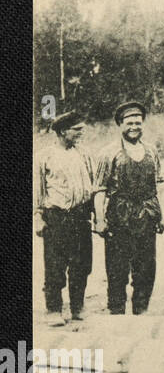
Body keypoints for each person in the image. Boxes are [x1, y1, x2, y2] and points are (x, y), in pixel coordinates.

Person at [94, 101, 164, 315]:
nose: (134, 126)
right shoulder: (109, 153)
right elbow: (99, 190)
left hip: (147, 214)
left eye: (138, 122)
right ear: (120, 125)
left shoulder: (151, 151)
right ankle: (117, 312)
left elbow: (158, 187)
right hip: (119, 215)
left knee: (145, 268)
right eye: (129, 123)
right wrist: (99, 220)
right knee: (117, 269)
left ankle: (141, 310)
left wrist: (160, 215)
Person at [35, 111, 96, 324]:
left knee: (82, 265)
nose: (81, 133)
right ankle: (53, 310)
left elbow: (92, 186)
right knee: (55, 265)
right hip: (57, 217)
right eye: (76, 129)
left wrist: (95, 215)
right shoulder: (45, 156)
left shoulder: (84, 154)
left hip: (81, 216)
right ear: (62, 132)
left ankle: (77, 307)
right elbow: (38, 190)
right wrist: (38, 216)